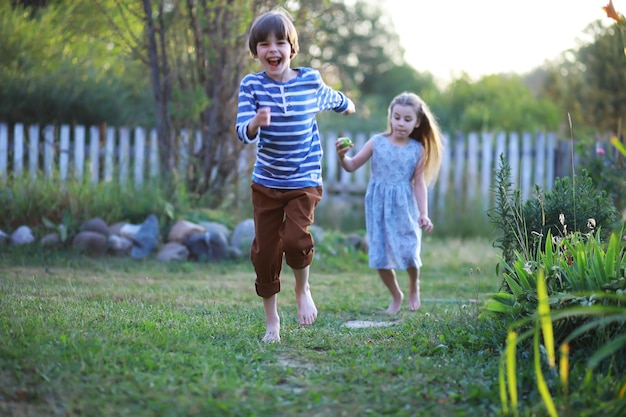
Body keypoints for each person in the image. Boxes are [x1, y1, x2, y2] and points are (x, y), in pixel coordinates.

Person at [235, 8, 356, 343]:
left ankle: (302, 290)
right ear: (255, 50)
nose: (272, 49)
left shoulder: (309, 81)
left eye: (280, 42)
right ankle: (271, 320)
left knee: (295, 239)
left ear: (292, 47)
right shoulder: (252, 85)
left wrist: (348, 104)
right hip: (267, 182)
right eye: (263, 44)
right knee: (265, 251)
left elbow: (336, 99)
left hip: (304, 178)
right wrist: (255, 124)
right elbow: (241, 131)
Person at [336, 92, 443, 313]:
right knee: (380, 256)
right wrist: (341, 156)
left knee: (410, 251)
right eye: (397, 117)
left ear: (417, 122)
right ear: (390, 117)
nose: (401, 123)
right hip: (378, 206)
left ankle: (414, 285)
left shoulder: (417, 150)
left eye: (407, 119)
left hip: (405, 206)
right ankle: (396, 295)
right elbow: (351, 165)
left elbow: (419, 183)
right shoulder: (377, 142)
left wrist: (424, 213)